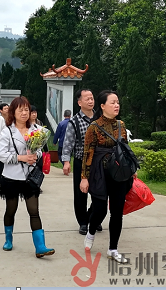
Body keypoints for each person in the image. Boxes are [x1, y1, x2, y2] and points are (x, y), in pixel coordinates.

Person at [0, 96, 55, 258]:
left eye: (26, 109)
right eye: (20, 110)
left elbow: (41, 150)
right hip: (11, 178)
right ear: (13, 112)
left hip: (29, 178)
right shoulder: (7, 131)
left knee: (34, 211)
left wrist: (35, 154)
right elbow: (0, 155)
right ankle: (8, 238)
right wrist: (21, 158)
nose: (24, 113)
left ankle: (40, 246)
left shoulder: (36, 130)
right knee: (11, 210)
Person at [80, 90, 132, 264]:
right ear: (102, 106)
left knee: (117, 212)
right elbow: (88, 153)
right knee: (99, 209)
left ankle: (113, 249)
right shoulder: (94, 127)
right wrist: (84, 177)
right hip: (99, 173)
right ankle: (91, 231)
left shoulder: (121, 125)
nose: (116, 105)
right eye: (112, 102)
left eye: (117, 102)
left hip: (118, 173)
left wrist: (131, 168)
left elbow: (125, 148)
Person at [62, 89, 102, 235]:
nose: (91, 101)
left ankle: (93, 217)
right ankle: (83, 222)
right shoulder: (74, 121)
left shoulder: (100, 118)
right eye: (87, 99)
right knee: (80, 194)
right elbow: (68, 143)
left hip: (99, 162)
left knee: (99, 193)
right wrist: (66, 162)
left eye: (92, 98)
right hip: (81, 161)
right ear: (79, 102)